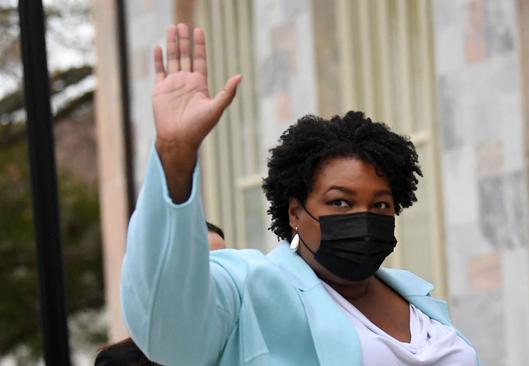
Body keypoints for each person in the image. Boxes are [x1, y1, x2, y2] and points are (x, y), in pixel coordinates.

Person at [121, 23, 479, 365]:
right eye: (340, 201)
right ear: (295, 213)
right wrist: (175, 154)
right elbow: (171, 328)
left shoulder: (416, 298)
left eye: (380, 204)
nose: (363, 216)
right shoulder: (251, 287)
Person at [95, 222, 225, 366]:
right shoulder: (120, 361)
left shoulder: (241, 344)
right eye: (204, 265)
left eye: (226, 261)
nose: (218, 275)